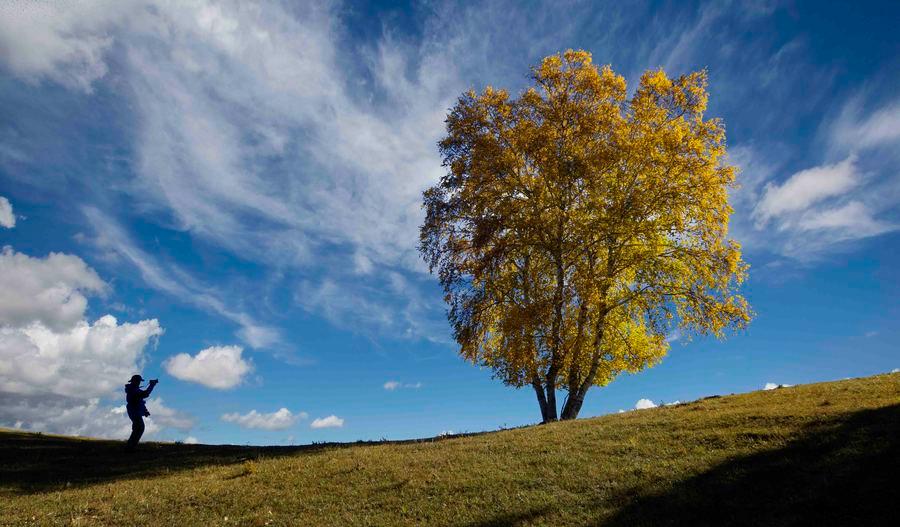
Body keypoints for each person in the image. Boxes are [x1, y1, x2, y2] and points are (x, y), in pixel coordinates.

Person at [125, 374, 158, 451]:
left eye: (139, 381)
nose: (139, 383)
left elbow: (140, 400)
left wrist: (145, 411)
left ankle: (130, 446)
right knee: (139, 428)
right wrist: (152, 385)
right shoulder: (133, 390)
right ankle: (130, 447)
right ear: (134, 381)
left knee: (138, 428)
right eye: (138, 381)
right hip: (134, 411)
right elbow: (145, 394)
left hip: (134, 411)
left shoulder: (133, 389)